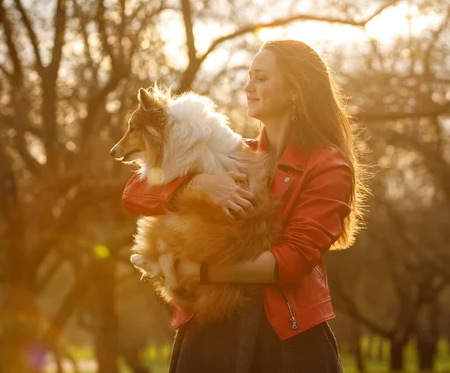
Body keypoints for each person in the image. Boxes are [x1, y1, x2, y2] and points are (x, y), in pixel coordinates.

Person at [120, 39, 368, 373]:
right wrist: (195, 184)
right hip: (209, 334)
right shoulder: (238, 152)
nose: (248, 87)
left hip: (285, 340)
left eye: (261, 78)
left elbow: (291, 261)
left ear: (296, 90)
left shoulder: (328, 165)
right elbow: (134, 193)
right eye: (249, 76)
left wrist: (202, 272)